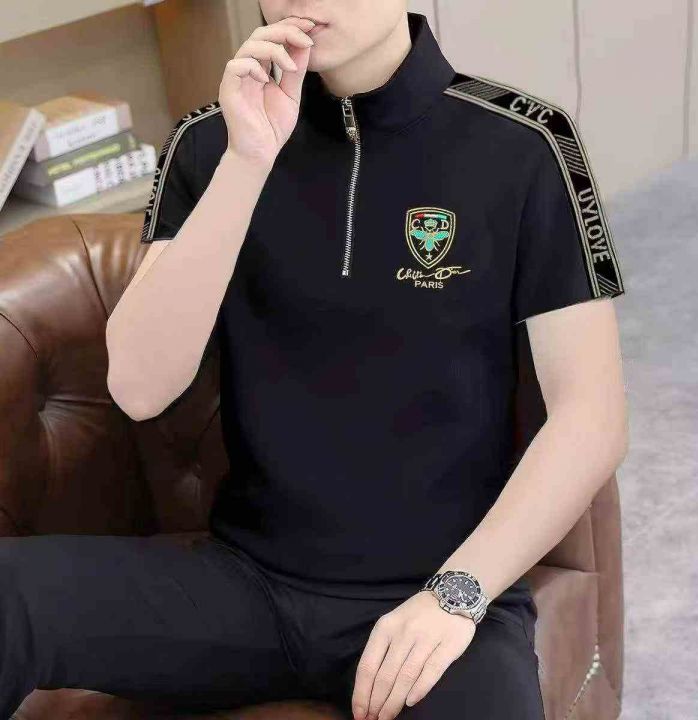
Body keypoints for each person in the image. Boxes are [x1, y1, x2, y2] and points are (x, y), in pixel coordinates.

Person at [1, 2, 628, 719]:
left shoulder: (527, 143)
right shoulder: (208, 142)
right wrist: (247, 162)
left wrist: (458, 595)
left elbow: (593, 418)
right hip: (247, 585)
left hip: (435, 595)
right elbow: (140, 388)